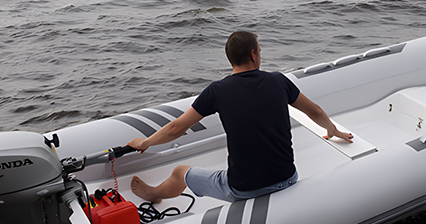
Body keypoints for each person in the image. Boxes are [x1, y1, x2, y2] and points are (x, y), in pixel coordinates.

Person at [128, 31, 352, 204]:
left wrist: (145, 143)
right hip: (288, 177)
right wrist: (332, 129)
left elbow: (177, 128)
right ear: (253, 54)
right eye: (260, 51)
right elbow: (315, 112)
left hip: (244, 189)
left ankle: (155, 194)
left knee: (180, 172)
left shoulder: (217, 91)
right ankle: (154, 193)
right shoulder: (278, 81)